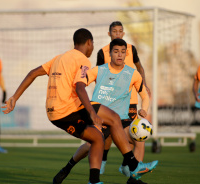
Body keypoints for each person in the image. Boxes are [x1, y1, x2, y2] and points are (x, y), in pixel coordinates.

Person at [2, 29, 157, 184]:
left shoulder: (58, 58)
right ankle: (133, 165)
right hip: (71, 108)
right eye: (92, 44)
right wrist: (92, 112)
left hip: (54, 115)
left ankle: (94, 181)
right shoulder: (83, 60)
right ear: (89, 43)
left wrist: (14, 97)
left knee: (97, 139)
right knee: (114, 118)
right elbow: (80, 87)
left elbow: (32, 73)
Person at [54, 39, 157, 184]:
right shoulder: (99, 70)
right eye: (116, 52)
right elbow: (80, 84)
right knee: (90, 145)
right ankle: (67, 168)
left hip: (121, 119)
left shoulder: (133, 74)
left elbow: (145, 96)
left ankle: (134, 178)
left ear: (126, 54)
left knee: (139, 139)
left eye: (122, 52)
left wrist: (144, 110)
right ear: (110, 54)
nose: (119, 55)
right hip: (100, 118)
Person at [96, 21, 151, 175]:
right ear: (109, 34)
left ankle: (129, 168)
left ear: (123, 33)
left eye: (120, 31)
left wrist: (144, 84)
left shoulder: (131, 49)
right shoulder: (102, 52)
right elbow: (98, 75)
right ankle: (104, 160)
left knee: (134, 135)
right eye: (115, 31)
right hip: (110, 100)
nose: (118, 34)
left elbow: (139, 67)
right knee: (107, 134)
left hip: (130, 99)